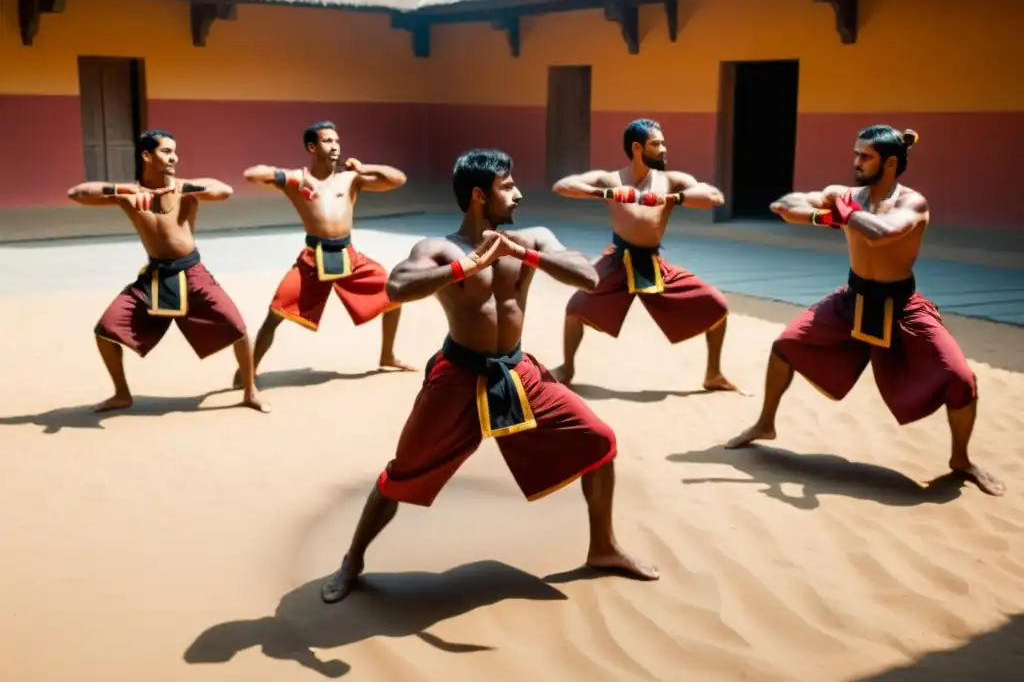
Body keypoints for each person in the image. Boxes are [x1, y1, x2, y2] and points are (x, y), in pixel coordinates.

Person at [320, 148, 659, 604]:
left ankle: (603, 547)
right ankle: (353, 560)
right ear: (479, 196)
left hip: (519, 373)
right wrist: (466, 267)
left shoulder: (532, 238)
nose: (518, 194)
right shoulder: (440, 249)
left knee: (599, 441)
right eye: (508, 186)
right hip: (459, 377)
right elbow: (396, 286)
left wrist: (521, 253)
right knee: (401, 474)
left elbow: (587, 277)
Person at [725, 125, 1004, 496]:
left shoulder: (912, 203)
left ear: (889, 163)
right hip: (851, 299)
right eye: (855, 154)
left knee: (961, 379)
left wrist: (840, 210)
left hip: (903, 306)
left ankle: (961, 460)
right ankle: (764, 424)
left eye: (865, 156)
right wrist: (823, 214)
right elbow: (785, 205)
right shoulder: (846, 195)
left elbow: (882, 232)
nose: (856, 163)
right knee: (784, 345)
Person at [68, 129, 268, 413]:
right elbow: (77, 193)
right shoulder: (130, 194)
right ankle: (121, 394)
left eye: (175, 151)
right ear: (147, 155)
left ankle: (250, 391)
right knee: (104, 331)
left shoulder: (185, 189)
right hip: (154, 277)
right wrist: (123, 190)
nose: (174, 157)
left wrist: (182, 188)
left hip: (193, 272)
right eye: (166, 151)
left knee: (238, 328)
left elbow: (224, 190)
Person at [549, 118, 738, 392]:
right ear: (637, 148)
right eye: (656, 144)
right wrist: (607, 193)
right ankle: (567, 368)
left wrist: (670, 199)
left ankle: (713, 374)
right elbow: (562, 185)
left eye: (663, 143)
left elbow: (714, 196)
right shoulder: (612, 178)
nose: (664, 149)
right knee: (576, 308)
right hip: (616, 260)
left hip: (653, 263)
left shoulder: (670, 181)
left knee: (717, 305)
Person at [238, 121, 413, 386]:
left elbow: (398, 179)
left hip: (349, 256)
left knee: (394, 293)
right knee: (275, 313)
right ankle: (249, 370)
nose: (335, 146)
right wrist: (286, 175)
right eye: (328, 141)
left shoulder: (351, 178)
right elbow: (253, 174)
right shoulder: (299, 180)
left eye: (337, 141)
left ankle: (387, 356)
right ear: (312, 146)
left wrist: (364, 168)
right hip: (312, 259)